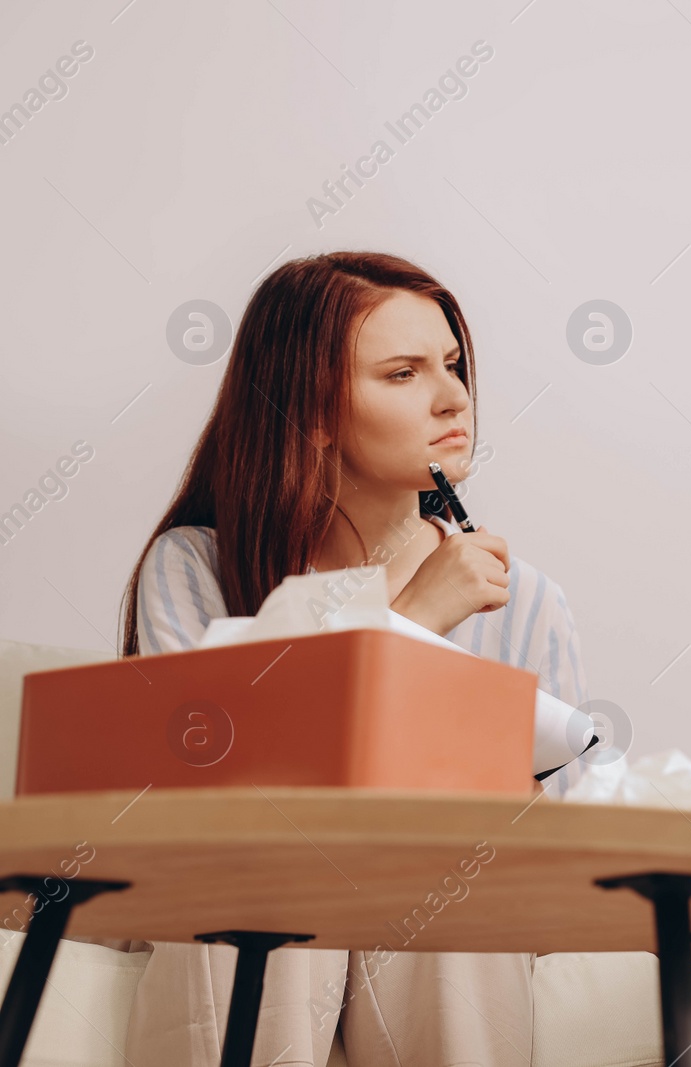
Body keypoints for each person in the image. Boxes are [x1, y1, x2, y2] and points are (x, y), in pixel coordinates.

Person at [112, 251, 589, 1066]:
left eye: (452, 364)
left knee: (449, 865)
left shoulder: (526, 599)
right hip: (242, 892)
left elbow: (575, 851)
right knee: (274, 861)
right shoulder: (196, 565)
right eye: (402, 373)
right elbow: (200, 782)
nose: (453, 398)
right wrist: (415, 619)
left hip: (434, 909)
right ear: (311, 409)